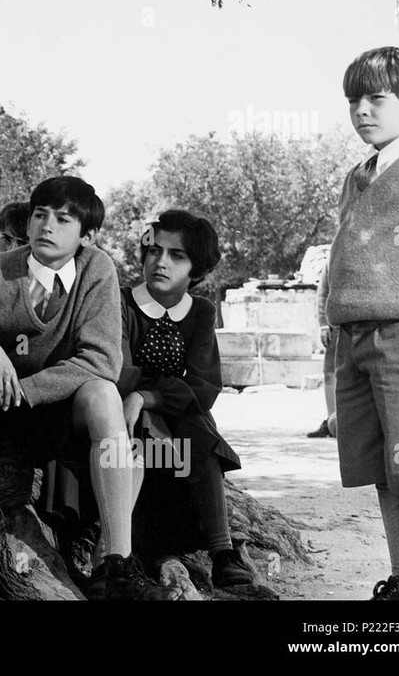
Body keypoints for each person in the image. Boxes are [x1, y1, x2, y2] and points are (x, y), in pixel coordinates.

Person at [0, 175, 170, 599]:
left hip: (55, 415)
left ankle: (117, 566)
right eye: (40, 215)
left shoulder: (96, 269)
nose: (47, 226)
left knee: (103, 393)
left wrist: (16, 391)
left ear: (87, 236)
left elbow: (101, 360)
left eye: (63, 220)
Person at [328, 46, 399, 600]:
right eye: (354, 100)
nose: (362, 110)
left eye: (376, 97)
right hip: (354, 339)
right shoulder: (358, 174)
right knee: (382, 465)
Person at [119, 209, 254, 588]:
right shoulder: (123, 303)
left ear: (196, 268)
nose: (160, 262)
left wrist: (148, 396)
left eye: (176, 255)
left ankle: (222, 552)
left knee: (198, 429)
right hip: (124, 416)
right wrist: (142, 396)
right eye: (154, 251)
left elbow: (203, 386)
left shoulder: (200, 312)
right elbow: (120, 370)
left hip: (179, 418)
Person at [306, 254, 337, 439]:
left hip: (361, 325)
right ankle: (331, 422)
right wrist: (324, 324)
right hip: (336, 327)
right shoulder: (334, 255)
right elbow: (323, 291)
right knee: (330, 373)